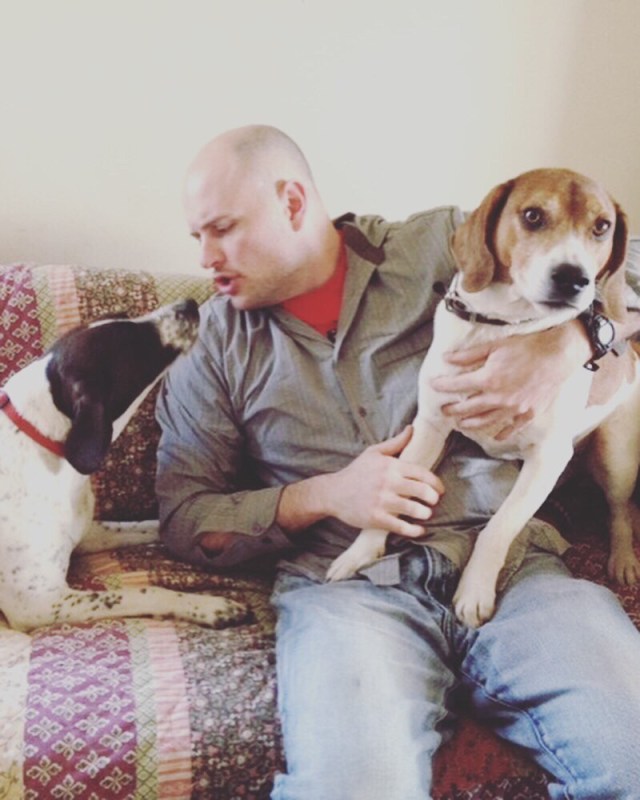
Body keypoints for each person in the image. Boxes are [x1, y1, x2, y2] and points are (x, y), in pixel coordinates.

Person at [155, 124, 640, 800]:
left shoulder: (437, 244)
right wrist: (324, 495)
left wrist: (572, 343)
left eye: (222, 229)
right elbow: (184, 517)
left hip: (516, 568)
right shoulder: (208, 346)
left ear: (291, 203)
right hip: (351, 590)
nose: (206, 257)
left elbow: (620, 291)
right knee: (357, 786)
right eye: (197, 237)